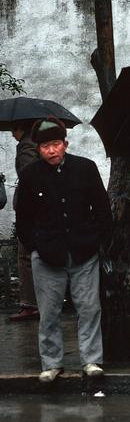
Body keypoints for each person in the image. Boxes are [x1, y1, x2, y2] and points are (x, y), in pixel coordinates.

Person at [15, 117, 112, 383]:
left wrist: (94, 240)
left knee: (89, 308)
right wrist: (36, 247)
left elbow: (102, 209)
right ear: (38, 149)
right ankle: (51, 363)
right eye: (45, 146)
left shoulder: (86, 168)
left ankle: (91, 360)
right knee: (48, 312)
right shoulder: (30, 175)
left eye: (56, 144)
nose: (51, 150)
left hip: (83, 252)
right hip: (47, 255)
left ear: (65, 144)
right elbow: (22, 219)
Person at [8, 119, 40, 321]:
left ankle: (29, 305)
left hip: (31, 209)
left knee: (25, 255)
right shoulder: (36, 141)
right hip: (37, 207)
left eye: (14, 129)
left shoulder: (26, 145)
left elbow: (29, 175)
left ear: (21, 128)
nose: (12, 134)